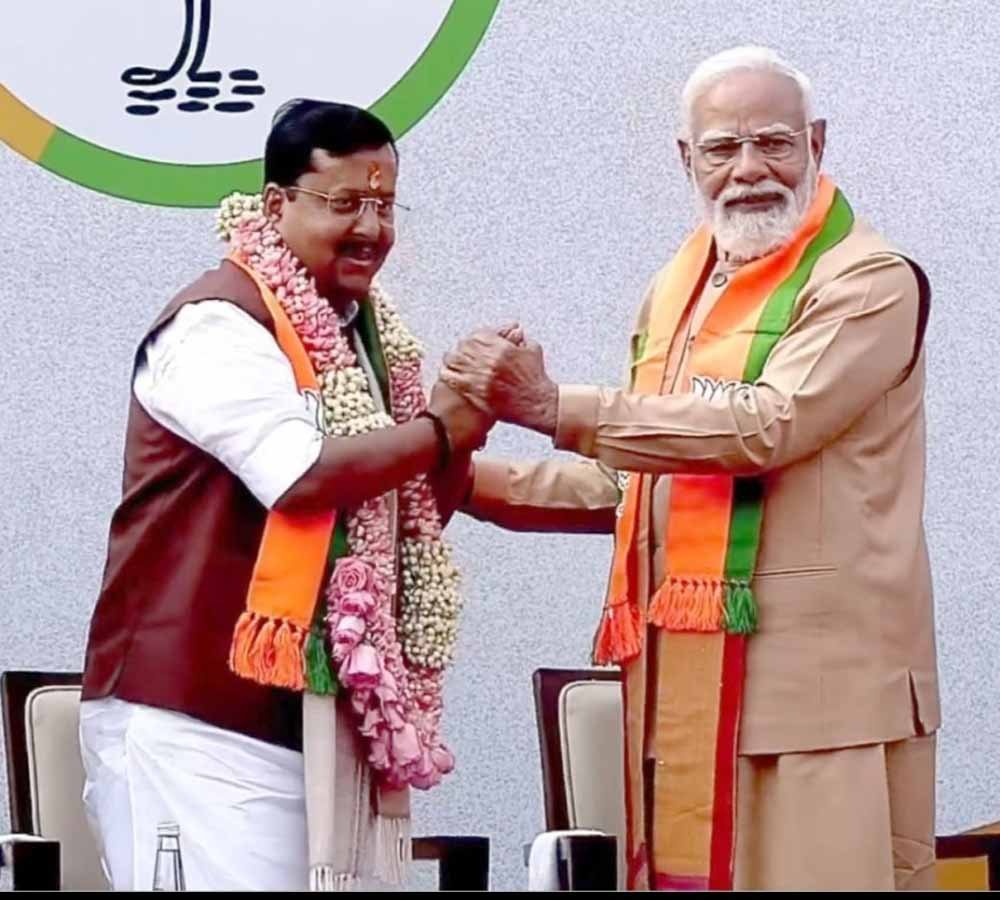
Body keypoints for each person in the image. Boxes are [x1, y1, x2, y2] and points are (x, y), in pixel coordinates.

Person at [444, 46, 938, 891]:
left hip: (819, 707)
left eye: (773, 143)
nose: (749, 170)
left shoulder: (868, 281)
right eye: (722, 148)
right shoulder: (680, 291)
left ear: (817, 142)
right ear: (686, 159)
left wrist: (555, 407)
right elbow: (638, 482)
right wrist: (457, 480)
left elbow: (765, 427)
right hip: (684, 692)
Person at [79, 99, 490, 891]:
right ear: (276, 205)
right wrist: (443, 430)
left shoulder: (359, 338)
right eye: (345, 202)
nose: (370, 229)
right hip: (195, 724)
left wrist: (493, 425)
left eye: (385, 206)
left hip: (307, 726)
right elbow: (299, 475)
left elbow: (397, 504)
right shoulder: (216, 324)